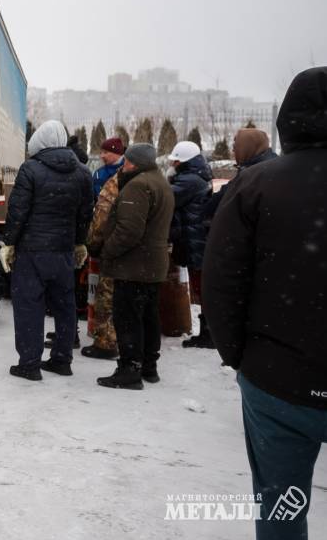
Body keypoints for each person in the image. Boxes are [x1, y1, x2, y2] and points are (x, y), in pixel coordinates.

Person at [202, 67, 326, 540]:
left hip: (277, 383)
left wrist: (243, 359)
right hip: (274, 375)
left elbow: (220, 283)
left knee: (280, 511)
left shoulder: (256, 186)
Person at [1, 120, 93, 381]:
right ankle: (62, 360)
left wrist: (9, 242)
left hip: (32, 251)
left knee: (30, 305)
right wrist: (79, 241)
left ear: (38, 142)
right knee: (65, 305)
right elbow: (86, 213)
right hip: (63, 250)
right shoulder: (83, 172)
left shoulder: (30, 169)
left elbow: (17, 212)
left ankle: (29, 364)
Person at [96, 143, 175, 389]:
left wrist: (106, 252)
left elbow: (128, 231)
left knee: (128, 318)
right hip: (151, 266)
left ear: (136, 163)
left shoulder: (138, 185)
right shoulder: (160, 182)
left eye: (128, 161)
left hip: (134, 266)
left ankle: (130, 369)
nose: (125, 164)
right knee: (148, 317)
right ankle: (148, 366)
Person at [166, 141, 214, 347]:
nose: (173, 163)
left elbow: (167, 197)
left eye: (176, 160)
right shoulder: (196, 177)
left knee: (201, 288)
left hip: (194, 240)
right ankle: (208, 333)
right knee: (201, 287)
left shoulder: (190, 181)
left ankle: (209, 334)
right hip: (195, 238)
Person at [82, 170, 120, 360]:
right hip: (147, 255)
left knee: (106, 298)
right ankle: (141, 349)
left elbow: (101, 219)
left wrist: (94, 245)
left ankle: (105, 344)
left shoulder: (115, 184)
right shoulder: (159, 183)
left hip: (116, 253)